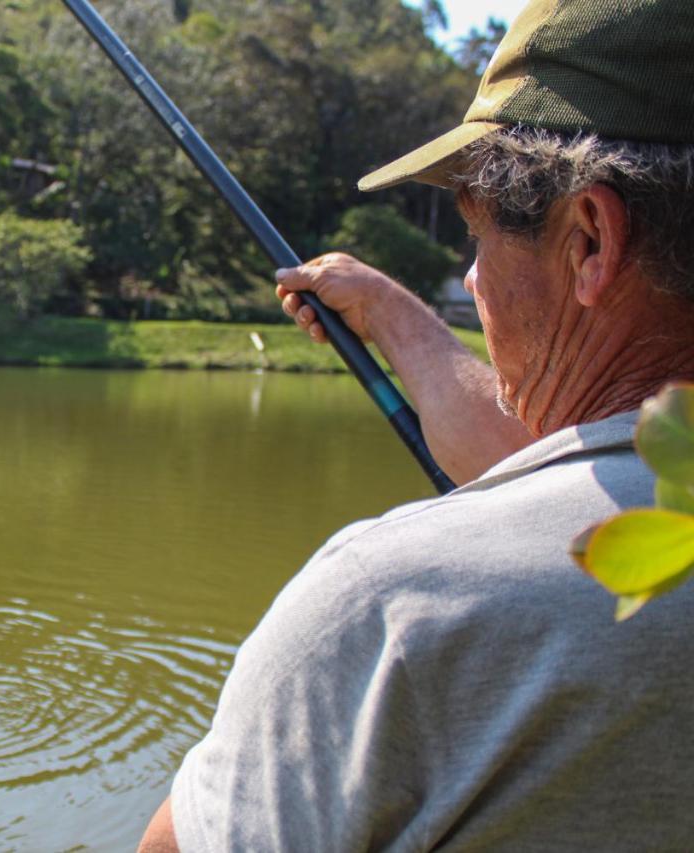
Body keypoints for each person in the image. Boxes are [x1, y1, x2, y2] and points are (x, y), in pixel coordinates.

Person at [139, 1, 694, 850]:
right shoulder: (659, 520)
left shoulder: (394, 611)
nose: (470, 281)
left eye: (477, 238)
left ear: (589, 241)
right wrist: (401, 321)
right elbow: (582, 480)